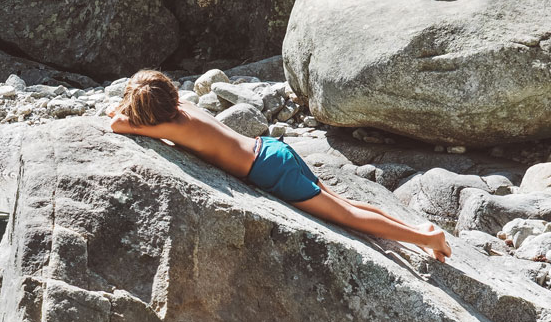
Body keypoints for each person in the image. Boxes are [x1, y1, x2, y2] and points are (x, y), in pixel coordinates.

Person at [108, 69, 452, 262]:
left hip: (268, 170)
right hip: (270, 149)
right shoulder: (182, 108)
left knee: (345, 217)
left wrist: (125, 112)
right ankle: (420, 234)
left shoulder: (171, 127)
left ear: (149, 115)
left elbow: (117, 124)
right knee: (341, 203)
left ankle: (428, 237)